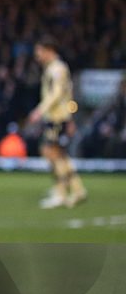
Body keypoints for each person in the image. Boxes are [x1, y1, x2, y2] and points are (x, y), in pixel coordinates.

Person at [27, 37, 86, 208]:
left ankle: (61, 191)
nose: (37, 56)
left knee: (51, 151)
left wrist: (40, 110)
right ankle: (76, 189)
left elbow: (57, 93)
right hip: (57, 116)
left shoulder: (57, 69)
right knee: (58, 154)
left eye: (39, 51)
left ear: (49, 50)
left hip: (57, 117)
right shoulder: (55, 68)